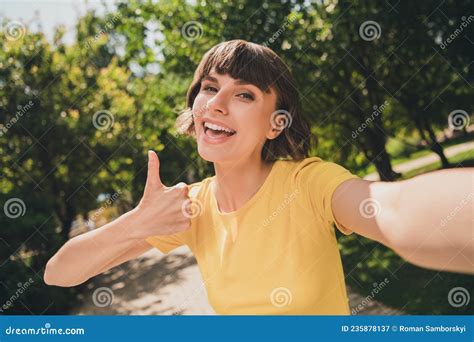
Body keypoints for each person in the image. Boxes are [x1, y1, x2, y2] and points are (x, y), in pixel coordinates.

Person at [44, 40, 473, 315]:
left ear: (276, 124)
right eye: (209, 88)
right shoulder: (188, 208)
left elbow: (395, 208)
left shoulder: (308, 183)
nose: (216, 103)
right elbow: (59, 273)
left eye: (245, 94)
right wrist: (136, 223)